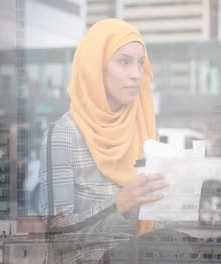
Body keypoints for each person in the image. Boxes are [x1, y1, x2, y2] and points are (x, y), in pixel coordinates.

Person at [39, 19, 168, 263]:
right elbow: (57, 239)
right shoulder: (64, 136)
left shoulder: (146, 133)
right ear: (95, 67)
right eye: (123, 62)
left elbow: (157, 223)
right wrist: (118, 205)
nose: (136, 74)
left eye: (140, 64)